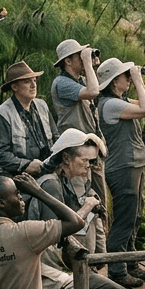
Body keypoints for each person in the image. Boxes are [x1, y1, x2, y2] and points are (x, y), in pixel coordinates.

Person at [25, 129, 131, 289]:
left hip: (57, 267)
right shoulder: (50, 185)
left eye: (93, 162)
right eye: (86, 161)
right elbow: (55, 232)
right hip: (46, 272)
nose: (89, 166)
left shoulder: (66, 181)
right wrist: (88, 206)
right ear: (66, 158)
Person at [94, 56, 145, 289]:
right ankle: (118, 270)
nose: (129, 79)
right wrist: (138, 78)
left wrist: (135, 78)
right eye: (125, 76)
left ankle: (131, 262)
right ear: (112, 81)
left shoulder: (119, 100)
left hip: (133, 165)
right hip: (123, 167)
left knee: (135, 216)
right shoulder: (110, 104)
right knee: (124, 219)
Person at [51, 39, 109, 255]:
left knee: (98, 206)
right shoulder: (62, 83)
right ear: (67, 60)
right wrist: (87, 59)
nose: (84, 57)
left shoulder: (80, 80)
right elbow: (93, 91)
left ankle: (99, 258)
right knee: (82, 207)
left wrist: (89, 63)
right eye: (79, 55)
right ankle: (84, 262)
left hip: (90, 154)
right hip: (75, 158)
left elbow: (96, 89)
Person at [0, 61, 57, 176]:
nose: (33, 85)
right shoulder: (2, 114)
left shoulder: (42, 106)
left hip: (48, 169)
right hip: (18, 175)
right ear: (14, 86)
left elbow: (56, 137)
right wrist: (25, 165)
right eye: (27, 81)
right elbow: (1, 154)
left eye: (34, 80)